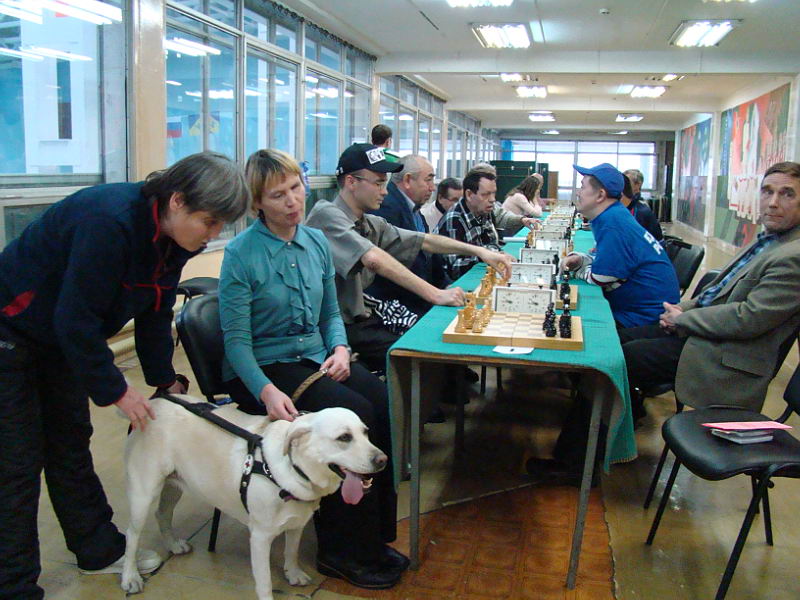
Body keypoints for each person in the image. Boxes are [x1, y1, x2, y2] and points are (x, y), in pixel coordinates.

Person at [0, 152, 250, 600]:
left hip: (58, 337)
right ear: (177, 201)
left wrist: (162, 380)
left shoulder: (174, 241)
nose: (212, 235)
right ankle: (12, 584)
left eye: (220, 227)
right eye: (208, 222)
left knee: (71, 444)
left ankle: (96, 549)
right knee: (17, 462)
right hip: (11, 328)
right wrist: (117, 391)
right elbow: (75, 319)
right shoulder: (110, 223)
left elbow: (156, 310)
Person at [219, 149, 405, 591]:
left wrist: (340, 348)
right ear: (256, 203)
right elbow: (237, 343)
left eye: (296, 188)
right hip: (265, 368)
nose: (292, 201)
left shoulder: (315, 241)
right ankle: (340, 551)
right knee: (353, 408)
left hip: (315, 357)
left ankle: (372, 536)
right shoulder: (241, 254)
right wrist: (264, 390)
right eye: (277, 194)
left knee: (381, 403)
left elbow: (329, 315)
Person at [305, 143, 513, 372]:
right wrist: (435, 294)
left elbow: (424, 240)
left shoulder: (369, 222)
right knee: (421, 352)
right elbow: (373, 259)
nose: (385, 191)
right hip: (335, 328)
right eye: (378, 183)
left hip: (361, 318)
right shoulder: (326, 215)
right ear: (352, 182)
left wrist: (481, 252)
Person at [621, 161, 800, 416]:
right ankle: (619, 423)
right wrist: (682, 308)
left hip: (725, 354)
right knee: (620, 340)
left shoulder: (793, 255)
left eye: (787, 194)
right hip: (705, 332)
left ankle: (587, 446)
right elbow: (716, 294)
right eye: (767, 191)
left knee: (627, 355)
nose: (773, 202)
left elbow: (748, 318)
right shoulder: (767, 240)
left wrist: (684, 319)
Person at [560, 163, 679, 328]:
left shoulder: (612, 222)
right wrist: (582, 260)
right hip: (641, 308)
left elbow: (601, 277)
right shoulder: (614, 215)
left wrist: (579, 270)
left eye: (582, 187)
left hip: (646, 318)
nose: (578, 193)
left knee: (581, 328)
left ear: (600, 195)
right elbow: (608, 262)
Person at [366, 155, 439, 316]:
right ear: (407, 180)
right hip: (398, 305)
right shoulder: (386, 207)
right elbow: (397, 267)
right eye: (428, 180)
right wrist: (435, 295)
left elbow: (429, 252)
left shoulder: (414, 208)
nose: (432, 188)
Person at [435, 168, 538, 280]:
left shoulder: (483, 210)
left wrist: (497, 253)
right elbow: (454, 269)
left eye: (494, 193)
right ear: (469, 195)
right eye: (485, 194)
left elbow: (491, 243)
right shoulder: (455, 220)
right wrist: (485, 256)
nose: (492, 200)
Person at [621, 171, 663, 241]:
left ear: (637, 185)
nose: (623, 185)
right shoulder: (621, 206)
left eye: (627, 182)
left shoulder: (642, 212)